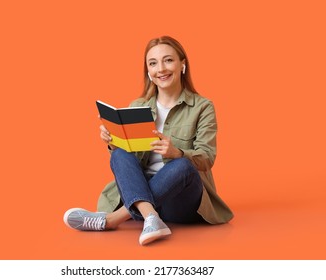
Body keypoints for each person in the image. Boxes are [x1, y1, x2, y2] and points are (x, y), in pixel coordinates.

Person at [63, 36, 233, 245]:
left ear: (182, 64)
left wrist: (177, 152)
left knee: (183, 165)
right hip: (141, 190)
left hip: (180, 202)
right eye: (153, 63)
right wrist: (114, 141)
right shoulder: (138, 106)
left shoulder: (203, 107)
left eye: (168, 60)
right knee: (119, 153)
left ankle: (112, 219)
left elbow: (207, 158)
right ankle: (151, 216)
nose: (161, 68)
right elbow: (128, 162)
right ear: (148, 72)